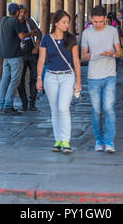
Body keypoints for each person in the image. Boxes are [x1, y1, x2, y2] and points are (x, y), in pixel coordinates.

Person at [36, 10, 81, 154]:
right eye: (64, 22)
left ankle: (66, 140)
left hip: (67, 76)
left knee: (63, 108)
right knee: (54, 110)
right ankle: (58, 140)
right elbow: (41, 60)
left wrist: (78, 80)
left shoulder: (71, 39)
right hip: (50, 77)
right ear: (56, 23)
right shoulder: (46, 39)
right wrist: (39, 77)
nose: (67, 25)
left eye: (68, 22)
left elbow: (75, 60)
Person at [81, 5, 121, 154]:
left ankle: (110, 141)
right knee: (97, 110)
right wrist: (94, 54)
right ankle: (99, 140)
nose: (98, 25)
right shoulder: (86, 33)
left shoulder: (113, 31)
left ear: (106, 19)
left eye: (101, 22)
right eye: (95, 22)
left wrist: (113, 53)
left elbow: (120, 52)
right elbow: (82, 57)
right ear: (91, 19)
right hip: (93, 77)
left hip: (110, 75)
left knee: (109, 109)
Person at [0, 3, 37, 116]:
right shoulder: (14, 21)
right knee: (14, 81)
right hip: (15, 55)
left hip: (5, 56)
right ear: (16, 12)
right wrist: (30, 33)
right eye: (19, 12)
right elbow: (21, 36)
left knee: (4, 80)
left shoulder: (2, 20)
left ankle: (2, 105)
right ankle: (8, 106)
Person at [17, 5, 42, 112]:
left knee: (34, 78)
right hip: (20, 54)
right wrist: (29, 33)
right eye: (20, 12)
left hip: (32, 53)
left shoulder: (29, 22)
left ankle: (32, 103)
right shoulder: (15, 23)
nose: (22, 14)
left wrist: (36, 47)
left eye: (24, 12)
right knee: (20, 80)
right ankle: (24, 102)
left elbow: (39, 33)